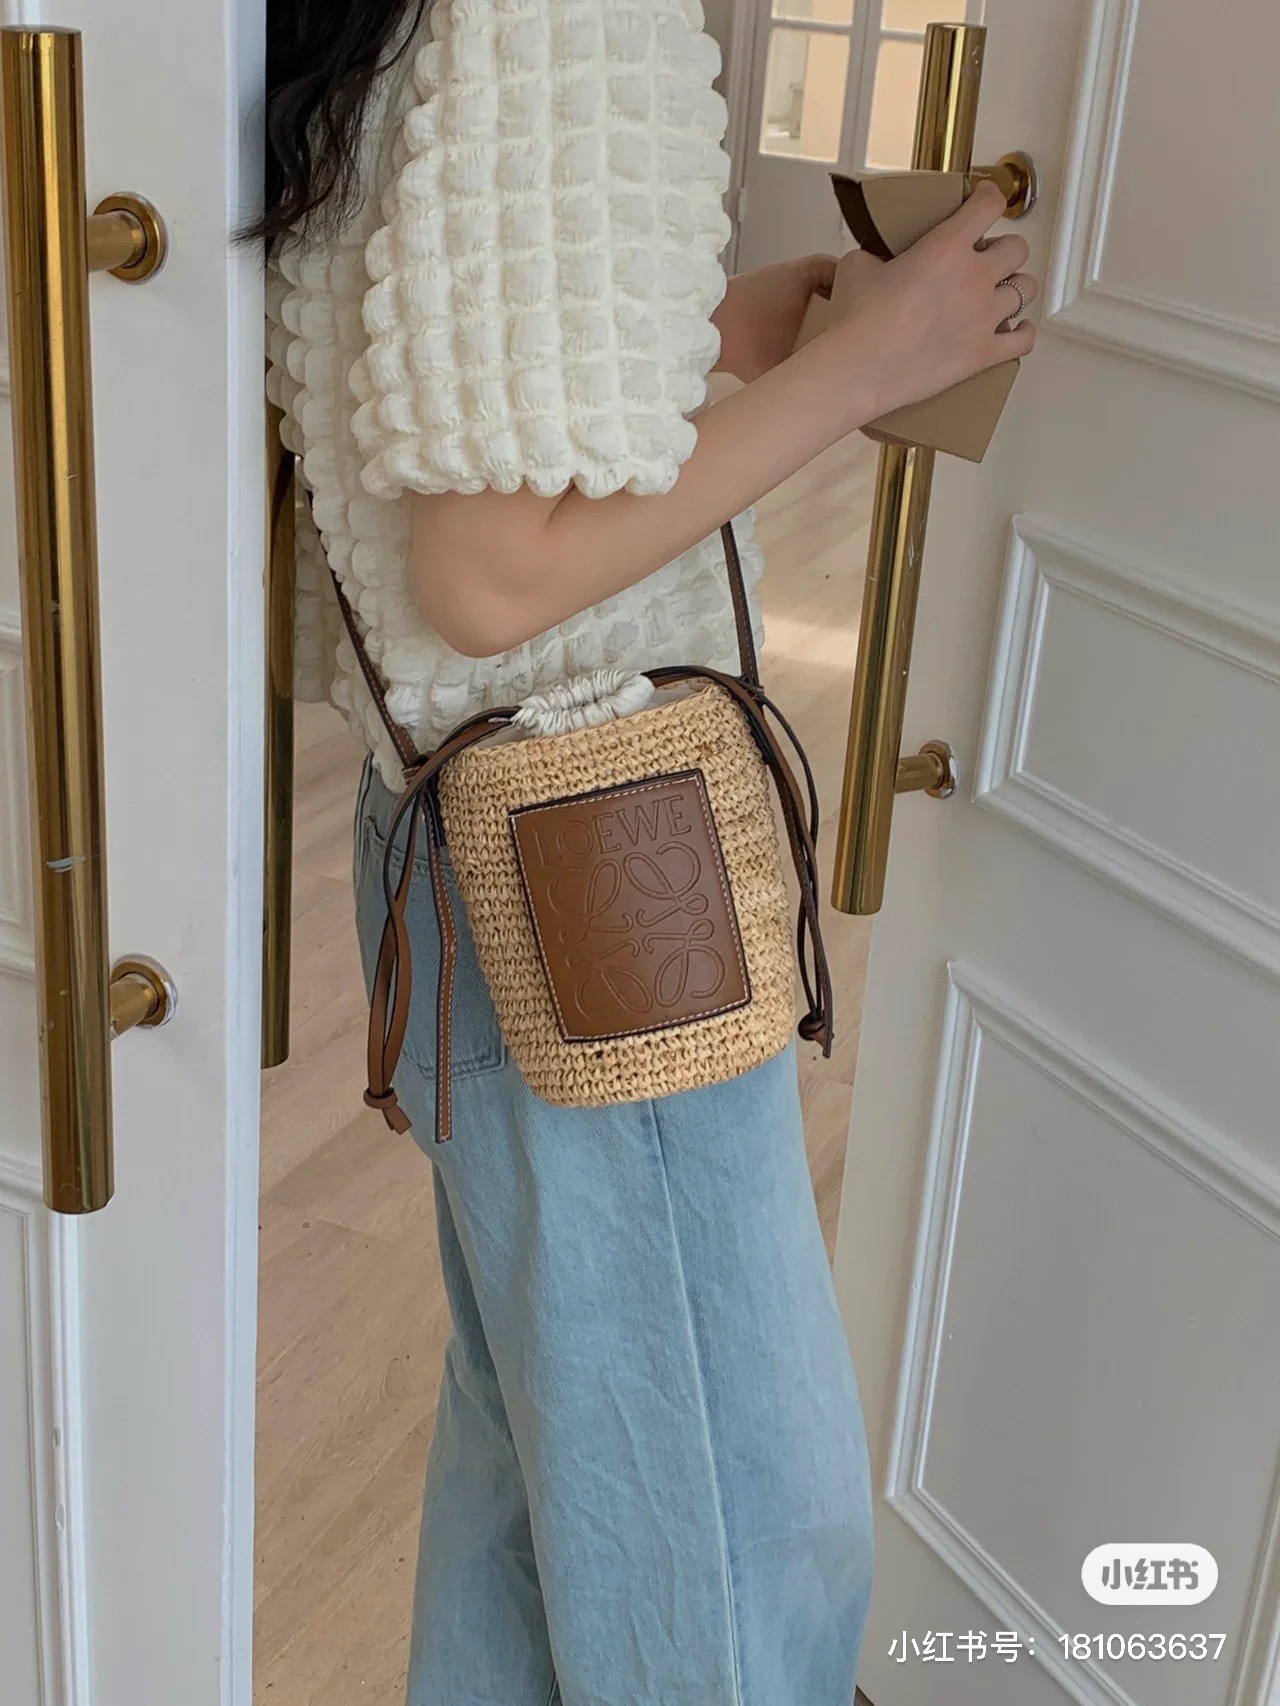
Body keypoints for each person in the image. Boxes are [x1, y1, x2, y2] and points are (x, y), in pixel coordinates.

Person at [256, 3, 1037, 1702]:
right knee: (746, 1542)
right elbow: (492, 575)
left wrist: (727, 328)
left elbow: (444, 385)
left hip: (463, 831)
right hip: (591, 860)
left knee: (546, 1483)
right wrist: (864, 369)